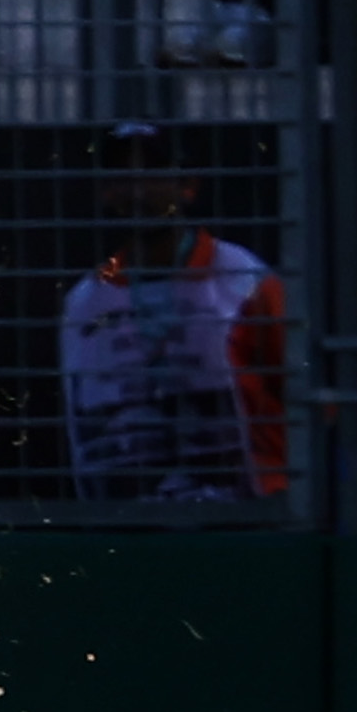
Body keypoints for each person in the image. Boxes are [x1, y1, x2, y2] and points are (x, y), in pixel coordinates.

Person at [62, 129, 292, 501]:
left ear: (187, 186)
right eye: (122, 176)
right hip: (129, 530)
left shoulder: (244, 280)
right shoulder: (85, 300)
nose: (138, 192)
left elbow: (309, 400)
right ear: (105, 191)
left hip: (247, 522)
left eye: (154, 174)